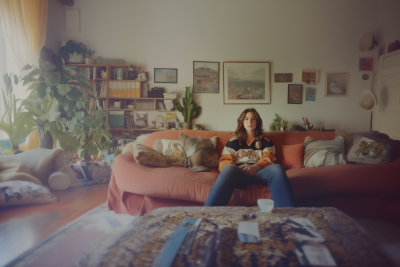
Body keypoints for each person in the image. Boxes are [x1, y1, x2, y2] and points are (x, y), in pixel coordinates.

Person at [204, 108, 295, 207]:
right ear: (242, 122)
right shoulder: (233, 141)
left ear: (257, 122)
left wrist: (256, 167)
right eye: (246, 119)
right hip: (240, 173)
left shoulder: (265, 141)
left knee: (277, 168)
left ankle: (290, 214)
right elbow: (224, 161)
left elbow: (270, 158)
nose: (250, 122)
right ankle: (207, 214)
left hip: (260, 173)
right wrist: (239, 170)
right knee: (229, 169)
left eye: (253, 119)